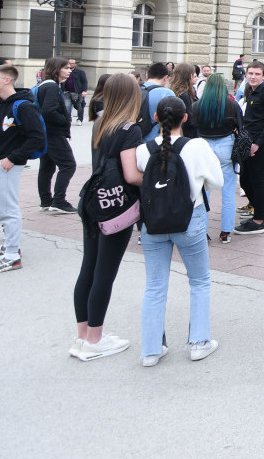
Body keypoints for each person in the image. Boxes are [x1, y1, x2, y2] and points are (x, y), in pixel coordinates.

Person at [135, 96, 222, 366]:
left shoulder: (143, 150)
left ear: (156, 118)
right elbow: (217, 181)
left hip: (153, 223)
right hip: (189, 219)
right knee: (199, 281)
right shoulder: (196, 146)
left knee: (154, 286)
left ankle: (151, 350)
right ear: (185, 118)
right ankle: (199, 342)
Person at [72, 74, 145, 360]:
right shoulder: (130, 129)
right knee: (105, 271)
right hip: (115, 204)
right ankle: (95, 339)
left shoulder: (100, 122)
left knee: (88, 267)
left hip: (92, 198)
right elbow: (131, 175)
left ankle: (82, 336)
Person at [0, 64, 47, 273]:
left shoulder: (23, 106)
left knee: (8, 210)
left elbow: (37, 138)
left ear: (7, 80)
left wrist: (12, 158)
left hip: (7, 164)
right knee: (0, 208)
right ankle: (9, 245)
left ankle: (12, 255)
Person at [193, 74, 243, 243]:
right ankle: (225, 232)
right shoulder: (232, 105)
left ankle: (203, 230)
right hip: (226, 144)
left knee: (203, 191)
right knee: (228, 190)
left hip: (204, 144)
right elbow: (240, 127)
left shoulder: (197, 106)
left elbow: (193, 128)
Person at [234, 61, 264, 235]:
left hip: (262, 144)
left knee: (257, 181)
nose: (253, 77)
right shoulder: (251, 92)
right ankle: (261, 213)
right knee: (245, 180)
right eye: (250, 73)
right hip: (250, 142)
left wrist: (257, 144)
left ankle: (259, 220)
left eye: (257, 74)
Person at [34, 57, 79, 215]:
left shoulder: (44, 85)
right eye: (66, 68)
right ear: (56, 69)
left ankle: (46, 200)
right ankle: (59, 201)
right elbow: (49, 111)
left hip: (45, 133)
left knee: (47, 167)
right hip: (53, 133)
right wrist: (64, 121)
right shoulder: (52, 87)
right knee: (68, 165)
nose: (69, 70)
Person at [63, 58, 88, 124]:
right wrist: (62, 89)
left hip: (78, 92)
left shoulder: (80, 72)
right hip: (67, 92)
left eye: (72, 63)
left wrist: (84, 91)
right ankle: (68, 120)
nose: (71, 65)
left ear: (75, 64)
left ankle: (79, 119)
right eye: (69, 63)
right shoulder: (64, 71)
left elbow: (84, 82)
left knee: (79, 107)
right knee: (67, 106)